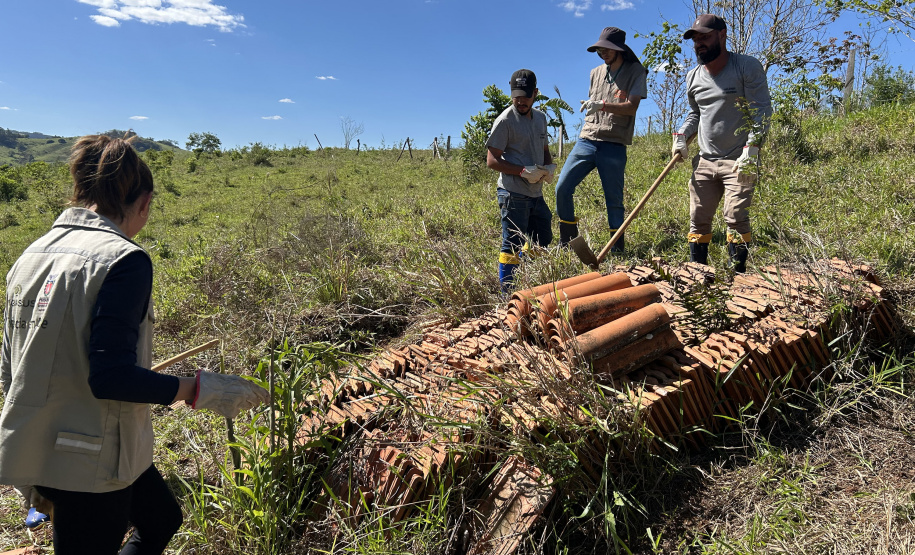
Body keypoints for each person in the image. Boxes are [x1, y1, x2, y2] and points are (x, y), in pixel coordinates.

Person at [0, 135, 270, 554]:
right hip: (91, 454)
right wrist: (200, 389)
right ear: (143, 202)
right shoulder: (123, 259)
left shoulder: (32, 255)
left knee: (162, 517)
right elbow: (111, 378)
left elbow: (10, 364)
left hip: (45, 441)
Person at [673, 13, 772, 273]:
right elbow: (695, 113)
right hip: (705, 160)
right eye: (695, 39)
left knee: (736, 218)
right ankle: (698, 277)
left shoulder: (746, 67)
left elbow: (761, 110)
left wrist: (752, 149)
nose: (699, 44)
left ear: (722, 34)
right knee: (698, 219)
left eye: (705, 37)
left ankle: (736, 280)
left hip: (739, 158)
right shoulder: (693, 76)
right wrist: (681, 136)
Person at [554, 26, 648, 252]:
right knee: (562, 188)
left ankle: (616, 249)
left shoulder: (636, 71)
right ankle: (568, 241)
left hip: (613, 144)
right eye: (600, 49)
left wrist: (604, 105)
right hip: (587, 139)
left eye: (607, 49)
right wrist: (592, 106)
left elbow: (632, 107)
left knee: (614, 201)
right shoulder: (595, 73)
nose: (603, 53)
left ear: (619, 50)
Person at [486, 68, 556, 291]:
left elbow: (544, 148)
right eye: (517, 96)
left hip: (536, 192)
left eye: (526, 96)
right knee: (512, 243)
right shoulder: (505, 121)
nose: (521, 101)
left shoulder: (541, 119)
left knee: (543, 237)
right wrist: (522, 171)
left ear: (535, 93)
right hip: (512, 192)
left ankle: (527, 275)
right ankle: (507, 293)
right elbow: (492, 160)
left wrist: (548, 167)